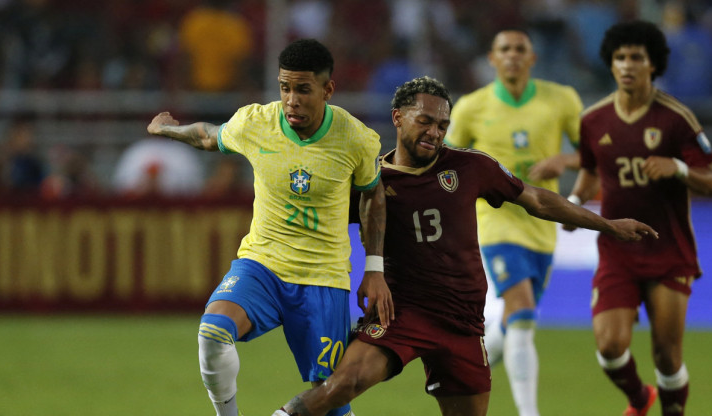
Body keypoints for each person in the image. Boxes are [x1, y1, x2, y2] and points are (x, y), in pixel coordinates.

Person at [272, 77, 656, 416]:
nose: (435, 132)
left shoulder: (470, 167)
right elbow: (320, 224)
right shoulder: (372, 181)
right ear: (397, 118)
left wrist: (607, 225)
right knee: (343, 385)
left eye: (442, 125)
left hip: (464, 324)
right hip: (403, 315)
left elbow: (537, 199)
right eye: (425, 121)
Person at [146, 38, 392, 416]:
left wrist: (373, 268)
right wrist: (167, 130)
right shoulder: (256, 122)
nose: (291, 99)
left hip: (323, 277)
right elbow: (208, 135)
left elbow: (372, 197)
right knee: (212, 333)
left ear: (327, 90)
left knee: (329, 398)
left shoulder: (355, 138)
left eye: (303, 89)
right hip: (263, 263)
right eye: (285, 87)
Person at [566, 20, 712, 416]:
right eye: (620, 57)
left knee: (667, 357)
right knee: (609, 347)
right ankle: (639, 398)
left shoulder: (676, 118)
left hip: (668, 250)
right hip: (618, 250)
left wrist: (679, 170)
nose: (627, 65)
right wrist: (574, 200)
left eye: (637, 57)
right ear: (611, 64)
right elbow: (589, 170)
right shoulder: (594, 119)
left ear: (654, 65)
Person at [446, 28, 583, 416]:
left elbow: (592, 153)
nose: (512, 55)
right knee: (521, 310)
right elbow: (446, 161)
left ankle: (463, 366)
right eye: (504, 49)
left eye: (520, 49)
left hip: (542, 223)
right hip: (494, 222)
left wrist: (564, 160)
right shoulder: (472, 106)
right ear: (492, 58)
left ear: (532, 58)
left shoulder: (561, 99)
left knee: (514, 324)